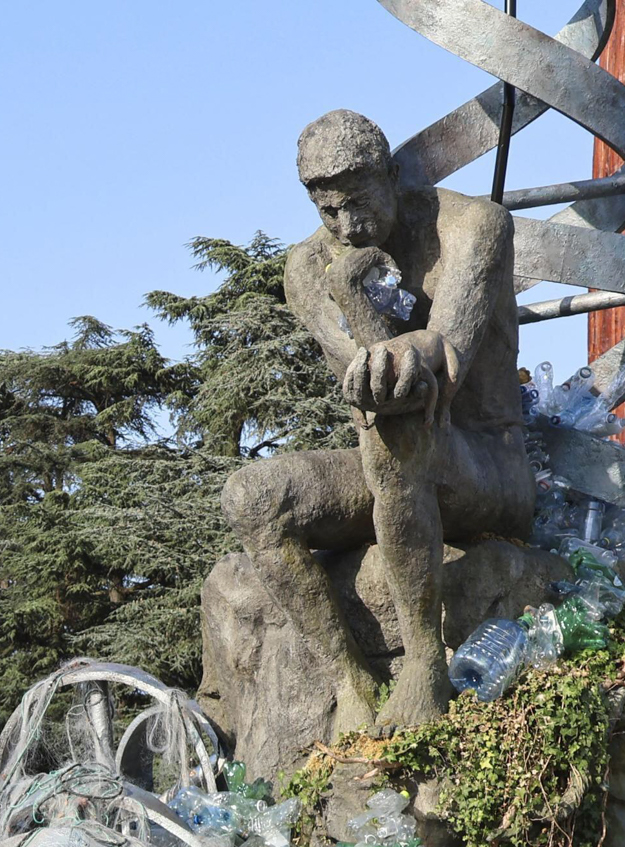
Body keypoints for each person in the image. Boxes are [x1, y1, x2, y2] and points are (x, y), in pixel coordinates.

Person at [219, 109, 536, 735]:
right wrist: (347, 293)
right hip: (394, 458)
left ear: (393, 176)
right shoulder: (309, 268)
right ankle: (351, 678)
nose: (346, 226)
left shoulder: (473, 227)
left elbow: (443, 366)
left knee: (400, 432)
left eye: (358, 203)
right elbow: (364, 379)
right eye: (328, 212)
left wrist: (391, 339)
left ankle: (423, 663)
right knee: (250, 497)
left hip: (488, 463)